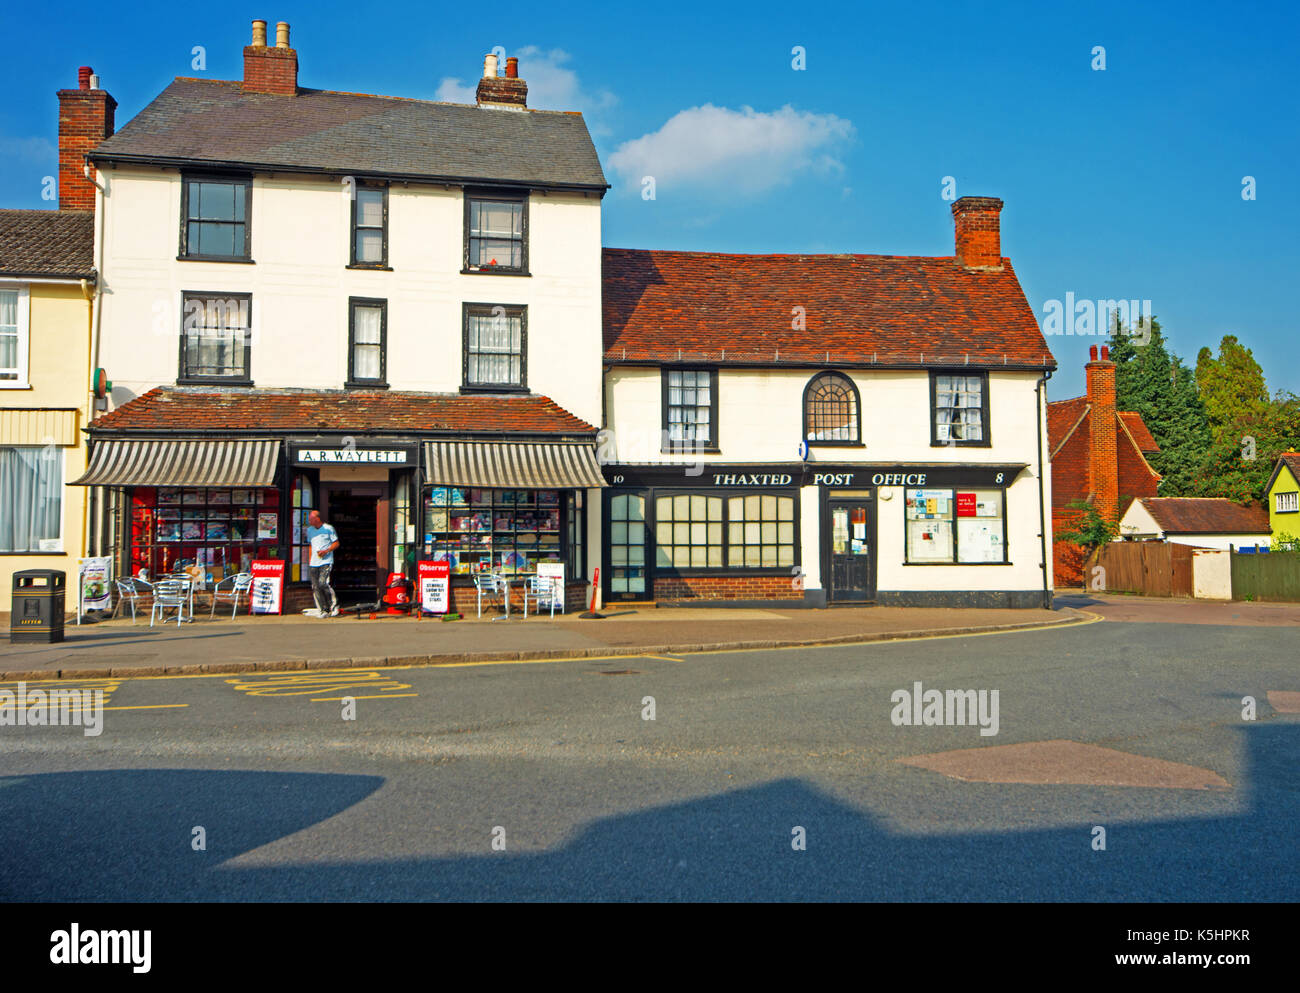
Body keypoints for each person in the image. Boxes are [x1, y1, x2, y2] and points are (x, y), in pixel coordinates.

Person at [305, 509, 340, 617]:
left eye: (311, 519)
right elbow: (310, 545)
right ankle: (323, 609)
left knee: (323, 583)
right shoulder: (309, 530)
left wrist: (326, 551)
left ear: (317, 519)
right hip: (314, 562)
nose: (309, 521)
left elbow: (336, 543)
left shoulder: (328, 528)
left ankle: (333, 605)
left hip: (326, 561)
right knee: (315, 586)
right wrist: (310, 560)